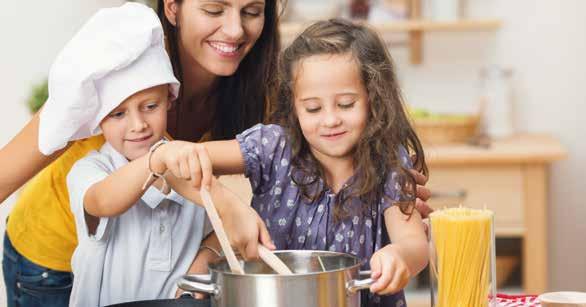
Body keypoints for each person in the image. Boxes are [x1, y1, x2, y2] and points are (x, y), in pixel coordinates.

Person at [0, 0, 430, 304]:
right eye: (212, 9)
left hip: (160, 277)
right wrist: (223, 202)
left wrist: (387, 186)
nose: (234, 30)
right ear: (172, 7)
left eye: (251, 11)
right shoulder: (116, 74)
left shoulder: (266, 92)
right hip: (55, 261)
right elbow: (163, 165)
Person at [180, 19, 430, 306]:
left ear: (374, 98)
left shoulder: (387, 160)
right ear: (294, 105)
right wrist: (227, 206)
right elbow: (179, 160)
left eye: (346, 104)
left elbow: (414, 244)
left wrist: (400, 256)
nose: (330, 120)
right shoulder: (272, 147)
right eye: (312, 108)